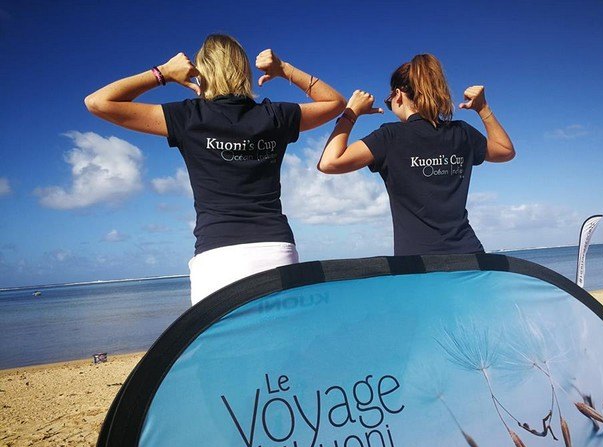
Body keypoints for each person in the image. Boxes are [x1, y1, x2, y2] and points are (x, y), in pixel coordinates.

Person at [85, 34, 346, 304]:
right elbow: (335, 103)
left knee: (220, 334)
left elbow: (97, 102)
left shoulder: (188, 117)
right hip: (275, 250)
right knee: (282, 332)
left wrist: (163, 73)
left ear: (203, 72)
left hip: (217, 257)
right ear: (244, 70)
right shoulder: (275, 116)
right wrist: (284, 69)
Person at [318, 53, 515, 256]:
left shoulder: (389, 137)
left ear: (398, 95)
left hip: (417, 262)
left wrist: (351, 112)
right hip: (471, 255)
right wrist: (482, 108)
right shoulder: (461, 133)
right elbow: (505, 151)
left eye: (389, 101)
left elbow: (329, 162)